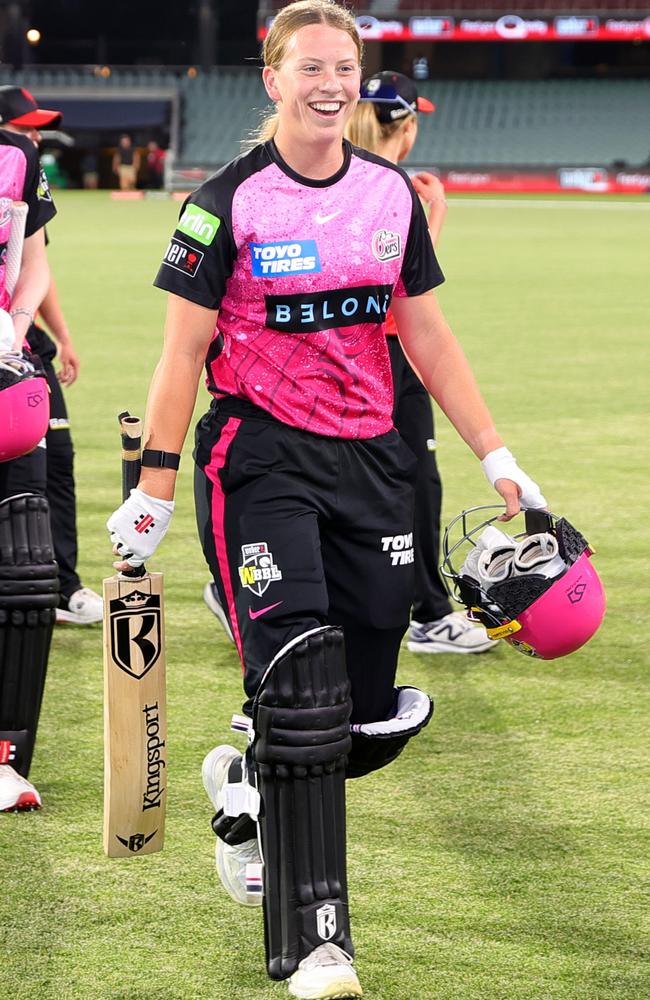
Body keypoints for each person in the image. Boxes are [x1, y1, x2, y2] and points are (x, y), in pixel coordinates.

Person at [106, 2, 547, 996]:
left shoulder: (390, 195)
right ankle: (316, 939)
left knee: (355, 712)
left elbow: (426, 336)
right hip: (259, 459)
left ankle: (250, 783)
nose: (328, 83)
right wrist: (155, 488)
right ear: (272, 79)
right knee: (301, 676)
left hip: (375, 465)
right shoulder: (224, 203)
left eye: (342, 67)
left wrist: (496, 453)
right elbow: (181, 353)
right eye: (309, 66)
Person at [345, 70, 493, 655]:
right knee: (413, 482)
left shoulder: (347, 173)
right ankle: (429, 614)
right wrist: (434, 216)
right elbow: (399, 285)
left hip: (356, 347)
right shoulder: (385, 185)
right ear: (404, 128)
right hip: (384, 350)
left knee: (361, 478)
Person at [0, 86, 103, 625]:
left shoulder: (19, 162)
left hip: (13, 342)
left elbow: (31, 266)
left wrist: (30, 331)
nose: (34, 133)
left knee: (47, 464)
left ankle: (58, 585)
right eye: (26, 124)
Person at [0, 86, 59, 812]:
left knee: (25, 567)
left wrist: (15, 326)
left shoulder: (17, 155)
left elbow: (34, 260)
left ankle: (8, 754)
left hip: (6, 372)